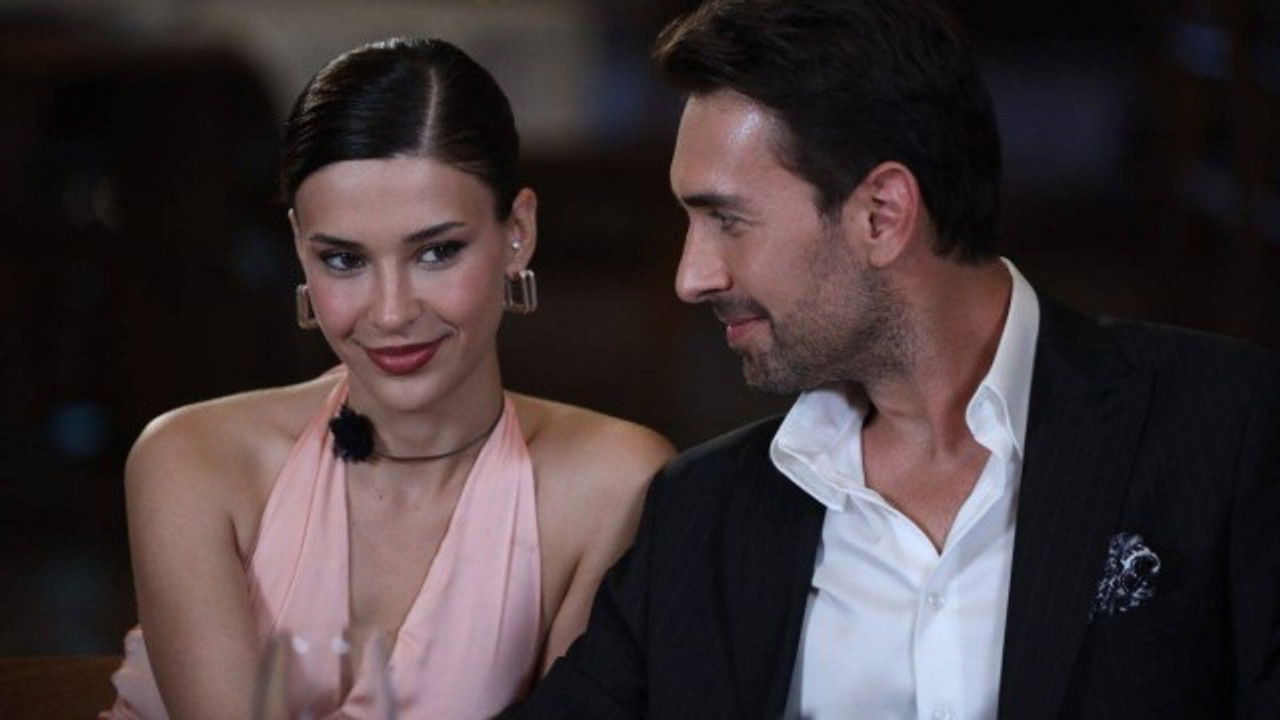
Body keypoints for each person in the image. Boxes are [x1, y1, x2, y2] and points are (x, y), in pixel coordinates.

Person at [508, 1, 1280, 718]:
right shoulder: (701, 514)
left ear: (881, 215)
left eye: (727, 221)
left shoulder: (1229, 429)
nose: (691, 276)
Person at [101, 37, 674, 720]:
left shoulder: (611, 483)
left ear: (517, 231)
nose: (392, 312)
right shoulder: (191, 459)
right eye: (344, 260)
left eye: (437, 251)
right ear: (300, 249)